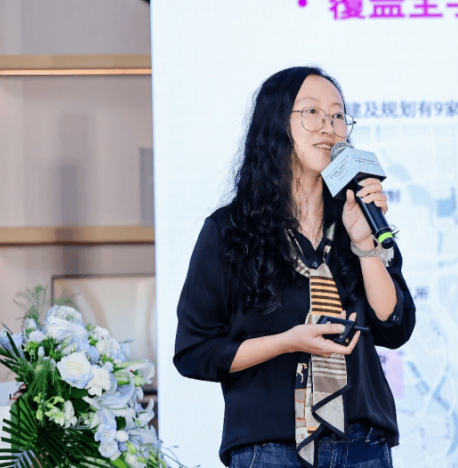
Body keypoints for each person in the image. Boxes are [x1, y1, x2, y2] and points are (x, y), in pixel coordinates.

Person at [173, 66, 416, 468]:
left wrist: (364, 245)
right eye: (312, 112)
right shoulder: (229, 230)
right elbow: (195, 352)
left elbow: (394, 326)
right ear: (276, 123)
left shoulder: (358, 218)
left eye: (337, 115)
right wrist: (287, 342)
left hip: (362, 445)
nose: (328, 126)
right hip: (270, 449)